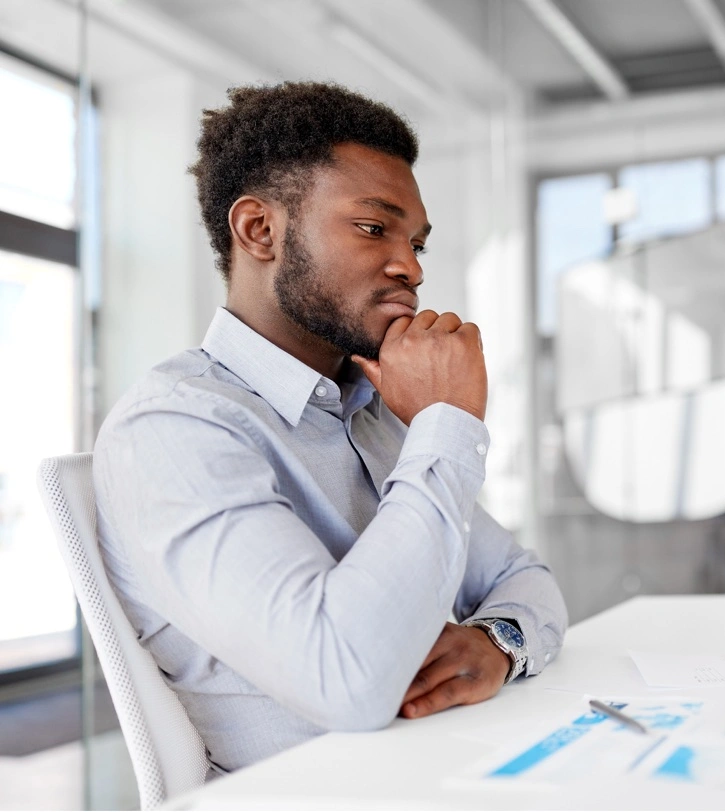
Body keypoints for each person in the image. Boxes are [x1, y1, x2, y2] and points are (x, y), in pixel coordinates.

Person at [93, 81, 568, 774]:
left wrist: (498, 642)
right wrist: (447, 422)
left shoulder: (375, 415)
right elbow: (347, 679)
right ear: (260, 230)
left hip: (445, 775)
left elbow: (525, 578)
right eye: (375, 228)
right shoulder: (175, 428)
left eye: (416, 242)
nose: (410, 265)